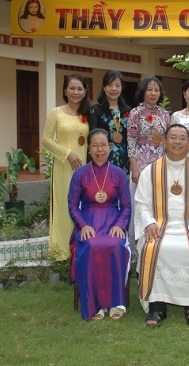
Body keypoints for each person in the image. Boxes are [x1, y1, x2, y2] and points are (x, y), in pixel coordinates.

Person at [135, 124, 189, 328]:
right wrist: (149, 222)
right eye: (173, 137)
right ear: (164, 142)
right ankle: (157, 306)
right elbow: (142, 202)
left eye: (182, 138)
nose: (177, 142)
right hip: (159, 226)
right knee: (151, 246)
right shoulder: (150, 171)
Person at [68, 129, 131, 321]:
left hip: (113, 222)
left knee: (116, 245)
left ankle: (116, 302)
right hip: (88, 223)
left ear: (110, 147)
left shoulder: (119, 173)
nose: (99, 150)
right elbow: (72, 205)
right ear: (89, 148)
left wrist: (120, 225)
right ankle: (96, 303)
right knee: (91, 245)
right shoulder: (80, 173)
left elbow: (126, 206)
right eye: (95, 145)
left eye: (103, 145)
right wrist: (83, 226)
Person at [43, 73, 91, 261]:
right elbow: (46, 140)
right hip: (64, 167)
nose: (75, 92)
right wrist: (67, 153)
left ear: (85, 91)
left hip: (84, 167)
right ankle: (61, 251)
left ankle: (80, 247)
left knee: (82, 205)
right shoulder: (56, 112)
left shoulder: (87, 114)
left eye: (79, 89)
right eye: (72, 88)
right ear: (65, 90)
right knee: (64, 205)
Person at [127, 76, 170, 253]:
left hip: (160, 165)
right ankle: (136, 246)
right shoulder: (135, 113)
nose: (153, 93)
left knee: (158, 203)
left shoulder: (165, 114)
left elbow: (167, 141)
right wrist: (134, 168)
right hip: (141, 165)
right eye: (149, 89)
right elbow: (131, 142)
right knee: (140, 204)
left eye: (156, 90)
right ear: (143, 92)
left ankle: (157, 243)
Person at [88, 70, 131, 175]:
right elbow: (92, 139)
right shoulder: (96, 110)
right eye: (109, 85)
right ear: (104, 87)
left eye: (117, 85)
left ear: (121, 88)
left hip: (124, 161)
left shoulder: (128, 111)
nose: (114, 89)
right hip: (102, 159)